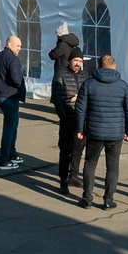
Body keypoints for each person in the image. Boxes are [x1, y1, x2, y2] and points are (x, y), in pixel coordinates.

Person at [76, 52, 128, 210]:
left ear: (98, 66)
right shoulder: (123, 85)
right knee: (112, 167)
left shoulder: (89, 84)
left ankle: (87, 198)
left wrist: (79, 128)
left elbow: (80, 109)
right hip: (116, 132)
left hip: (95, 131)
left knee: (90, 163)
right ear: (114, 66)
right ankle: (108, 200)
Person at [0, 33, 28, 170]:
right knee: (9, 127)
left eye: (20, 46)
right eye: (18, 46)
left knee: (13, 124)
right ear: (9, 44)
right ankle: (4, 160)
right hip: (9, 96)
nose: (19, 49)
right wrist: (17, 85)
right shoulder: (12, 59)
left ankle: (11, 153)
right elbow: (17, 79)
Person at [52, 51, 85, 197]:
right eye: (75, 60)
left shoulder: (85, 76)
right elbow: (57, 97)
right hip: (67, 117)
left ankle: (74, 175)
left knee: (78, 149)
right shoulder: (61, 74)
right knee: (65, 150)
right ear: (70, 60)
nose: (78, 63)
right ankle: (63, 179)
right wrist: (63, 115)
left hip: (81, 119)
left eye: (80, 61)